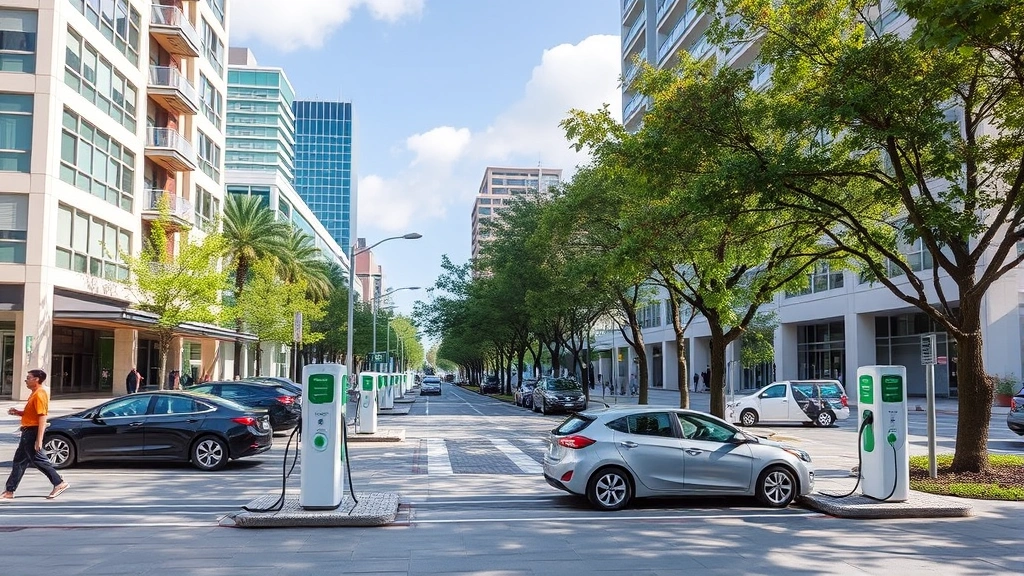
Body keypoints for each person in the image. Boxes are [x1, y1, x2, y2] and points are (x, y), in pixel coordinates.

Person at [3, 369, 70, 501]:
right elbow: (32, 414)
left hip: (32, 431)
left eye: (28, 378)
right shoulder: (34, 393)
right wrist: (18, 413)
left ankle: (59, 483)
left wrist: (39, 440)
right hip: (27, 430)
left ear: (36, 380)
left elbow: (42, 417)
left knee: (38, 460)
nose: (26, 380)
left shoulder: (40, 394)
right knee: (19, 461)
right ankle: (9, 491)